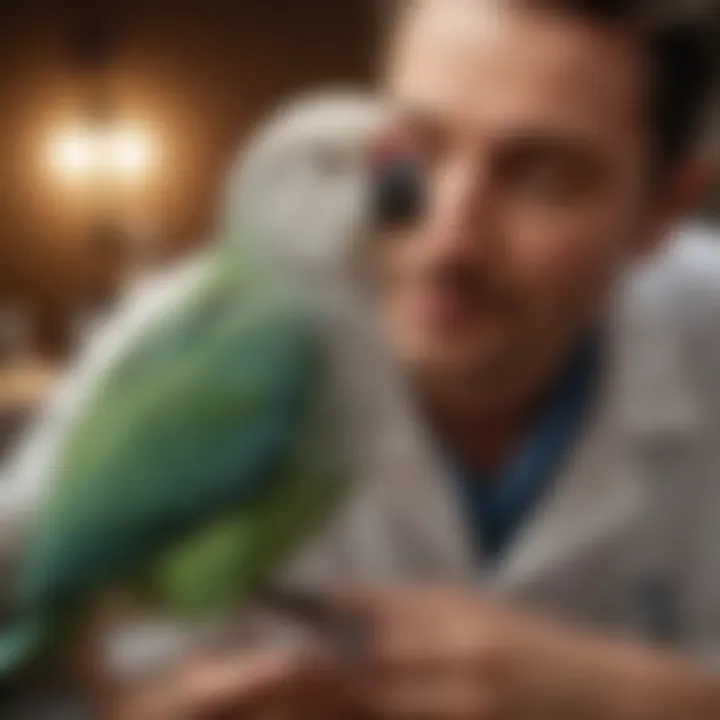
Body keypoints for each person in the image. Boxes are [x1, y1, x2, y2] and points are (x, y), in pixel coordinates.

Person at [5, 0, 720, 717]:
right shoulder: (180, 344)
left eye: (540, 176)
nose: (446, 238)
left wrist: (619, 694)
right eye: (418, 150)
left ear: (665, 208)